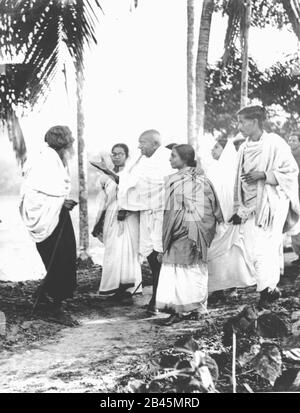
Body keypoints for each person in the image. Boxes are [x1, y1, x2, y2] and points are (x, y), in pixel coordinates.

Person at [230, 105, 300, 308]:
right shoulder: (243, 147)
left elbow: (290, 171)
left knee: (265, 249)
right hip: (250, 205)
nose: (239, 126)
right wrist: (239, 206)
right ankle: (270, 288)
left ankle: (266, 291)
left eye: (242, 121)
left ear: (254, 121)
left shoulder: (275, 143)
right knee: (251, 249)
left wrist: (264, 175)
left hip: (270, 204)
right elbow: (238, 177)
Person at [155, 144, 223, 325]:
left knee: (190, 267)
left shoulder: (198, 179)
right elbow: (170, 208)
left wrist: (192, 223)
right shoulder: (172, 179)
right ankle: (179, 308)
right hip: (176, 229)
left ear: (184, 158)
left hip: (191, 230)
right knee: (174, 268)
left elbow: (207, 207)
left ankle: (191, 309)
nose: (170, 159)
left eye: (173, 156)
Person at [20, 126, 77, 312]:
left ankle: (51, 296)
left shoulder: (56, 158)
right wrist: (61, 202)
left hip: (55, 214)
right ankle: (54, 302)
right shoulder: (45, 159)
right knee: (58, 257)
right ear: (64, 141)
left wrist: (61, 202)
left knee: (65, 255)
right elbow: (35, 193)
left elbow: (54, 189)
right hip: (48, 216)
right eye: (70, 138)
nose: (73, 142)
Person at [117, 130, 174, 314]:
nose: (139, 146)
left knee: (161, 257)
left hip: (162, 215)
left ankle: (160, 300)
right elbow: (132, 181)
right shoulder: (143, 161)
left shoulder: (166, 158)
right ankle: (157, 299)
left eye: (143, 142)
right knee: (151, 257)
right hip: (147, 215)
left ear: (155, 144)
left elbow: (157, 184)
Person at [207, 138, 256, 300]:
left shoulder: (233, 171)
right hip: (216, 217)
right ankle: (218, 289)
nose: (212, 150)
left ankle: (232, 286)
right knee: (215, 253)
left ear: (225, 150)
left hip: (231, 218)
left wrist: (237, 213)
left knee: (232, 252)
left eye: (216, 147)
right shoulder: (212, 169)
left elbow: (239, 194)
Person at [92, 144, 142, 300]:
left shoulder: (132, 173)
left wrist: (107, 169)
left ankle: (128, 289)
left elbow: (133, 192)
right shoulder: (104, 178)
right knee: (113, 251)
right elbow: (103, 201)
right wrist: (98, 222)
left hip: (129, 215)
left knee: (128, 251)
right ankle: (114, 287)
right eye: (113, 154)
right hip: (112, 215)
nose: (116, 156)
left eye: (120, 154)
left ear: (127, 156)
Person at [288, 132, 300, 264]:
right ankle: (298, 254)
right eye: (290, 140)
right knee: (294, 224)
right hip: (292, 194)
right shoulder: (287, 156)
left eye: (294, 140)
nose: (291, 143)